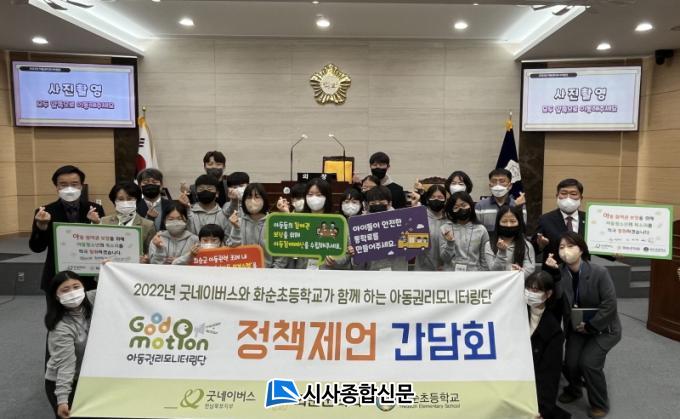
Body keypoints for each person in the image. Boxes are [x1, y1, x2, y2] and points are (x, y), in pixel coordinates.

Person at [545, 232, 621, 419]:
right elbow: (557, 299)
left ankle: (599, 403)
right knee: (570, 363)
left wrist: (591, 325)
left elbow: (610, 304)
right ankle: (575, 389)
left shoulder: (599, 272)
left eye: (571, 246)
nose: (566, 251)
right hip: (577, 327)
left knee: (589, 364)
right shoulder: (560, 272)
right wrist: (553, 274)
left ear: (581, 249)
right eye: (561, 247)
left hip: (604, 329)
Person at [30, 165, 105, 292]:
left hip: (89, 276)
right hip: (57, 277)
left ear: (81, 186)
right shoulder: (44, 212)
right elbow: (37, 248)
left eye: (74, 184)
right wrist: (41, 227)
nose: (69, 188)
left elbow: (103, 242)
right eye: (63, 185)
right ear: (57, 187)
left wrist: (96, 224)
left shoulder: (95, 209)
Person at [44, 271, 96, 419]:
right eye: (65, 290)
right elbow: (66, 365)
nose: (72, 293)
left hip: (85, 377)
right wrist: (62, 400)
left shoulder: (91, 299)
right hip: (64, 383)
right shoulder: (61, 327)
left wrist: (110, 268)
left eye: (76, 287)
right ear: (56, 296)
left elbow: (114, 287)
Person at [524, 271, 571, 419]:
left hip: (532, 384)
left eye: (536, 290)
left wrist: (542, 408)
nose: (530, 293)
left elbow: (550, 374)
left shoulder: (553, 331)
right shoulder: (516, 313)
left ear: (548, 294)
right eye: (528, 288)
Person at [228, 183, 288, 269]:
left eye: (257, 197)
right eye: (249, 197)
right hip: (242, 274)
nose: (253, 200)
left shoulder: (274, 224)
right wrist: (236, 228)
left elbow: (281, 258)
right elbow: (232, 250)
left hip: (269, 274)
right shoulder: (238, 222)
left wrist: (271, 275)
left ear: (264, 199)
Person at [350, 186, 408, 271]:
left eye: (381, 203)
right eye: (373, 204)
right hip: (372, 275)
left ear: (390, 203)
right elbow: (358, 265)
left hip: (398, 273)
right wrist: (355, 255)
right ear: (368, 205)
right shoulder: (361, 226)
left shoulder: (403, 221)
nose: (377, 205)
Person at [534, 178, 586, 270]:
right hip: (553, 273)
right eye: (564, 193)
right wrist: (540, 245)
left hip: (584, 272)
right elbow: (533, 249)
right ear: (557, 196)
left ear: (581, 198)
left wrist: (612, 252)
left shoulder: (589, 218)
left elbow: (598, 245)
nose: (568, 198)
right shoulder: (545, 219)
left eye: (573, 194)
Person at [98, 182, 156, 255]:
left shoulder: (148, 225)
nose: (125, 202)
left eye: (129, 199)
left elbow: (152, 253)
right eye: (120, 199)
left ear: (136, 200)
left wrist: (146, 258)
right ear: (114, 202)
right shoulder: (104, 221)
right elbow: (99, 248)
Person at [440, 191, 489, 271]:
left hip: (474, 275)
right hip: (451, 275)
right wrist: (450, 243)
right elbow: (444, 258)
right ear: (451, 210)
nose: (460, 209)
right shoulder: (445, 229)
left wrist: (484, 275)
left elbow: (484, 259)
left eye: (463, 205)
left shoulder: (481, 229)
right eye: (456, 207)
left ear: (470, 205)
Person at [484, 205, 535, 278]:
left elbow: (530, 270)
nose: (509, 225)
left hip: (518, 282)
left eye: (513, 221)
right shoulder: (490, 245)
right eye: (504, 221)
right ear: (498, 223)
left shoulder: (527, 245)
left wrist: (517, 273)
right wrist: (501, 252)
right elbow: (493, 271)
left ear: (519, 223)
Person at [475, 168, 526, 234]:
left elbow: (522, 231)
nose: (497, 185)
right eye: (494, 181)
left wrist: (518, 208)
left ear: (510, 186)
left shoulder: (518, 205)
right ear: (490, 186)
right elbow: (477, 231)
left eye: (502, 181)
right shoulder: (480, 206)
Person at [323, 187, 363, 270]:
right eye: (346, 202)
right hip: (339, 270)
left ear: (361, 205)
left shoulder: (366, 224)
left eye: (354, 202)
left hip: (362, 270)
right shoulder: (334, 223)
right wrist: (333, 258)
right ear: (341, 205)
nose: (350, 205)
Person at [414, 185, 450, 271]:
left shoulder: (450, 220)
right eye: (433, 197)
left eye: (440, 197)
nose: (436, 199)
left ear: (445, 200)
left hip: (445, 270)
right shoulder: (419, 217)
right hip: (423, 269)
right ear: (427, 200)